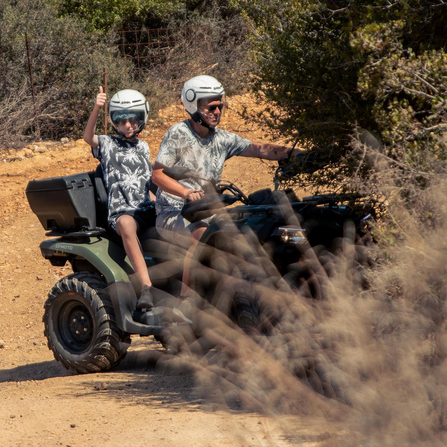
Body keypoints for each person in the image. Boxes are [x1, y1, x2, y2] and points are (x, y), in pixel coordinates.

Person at [152, 75, 302, 293]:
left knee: (245, 231)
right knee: (200, 233)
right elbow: (157, 175)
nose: (217, 112)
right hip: (175, 212)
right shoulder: (178, 134)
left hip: (209, 210)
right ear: (193, 106)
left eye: (219, 106)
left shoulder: (221, 139)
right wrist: (186, 192)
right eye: (211, 107)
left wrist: (299, 155)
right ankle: (186, 301)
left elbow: (260, 148)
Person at [84, 86, 155, 309]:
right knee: (125, 224)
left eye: (133, 120)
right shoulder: (107, 144)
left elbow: (147, 179)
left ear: (141, 118)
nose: (127, 125)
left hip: (147, 208)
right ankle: (146, 287)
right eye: (121, 120)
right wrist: (97, 107)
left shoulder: (144, 146)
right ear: (114, 121)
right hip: (123, 211)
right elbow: (88, 137)